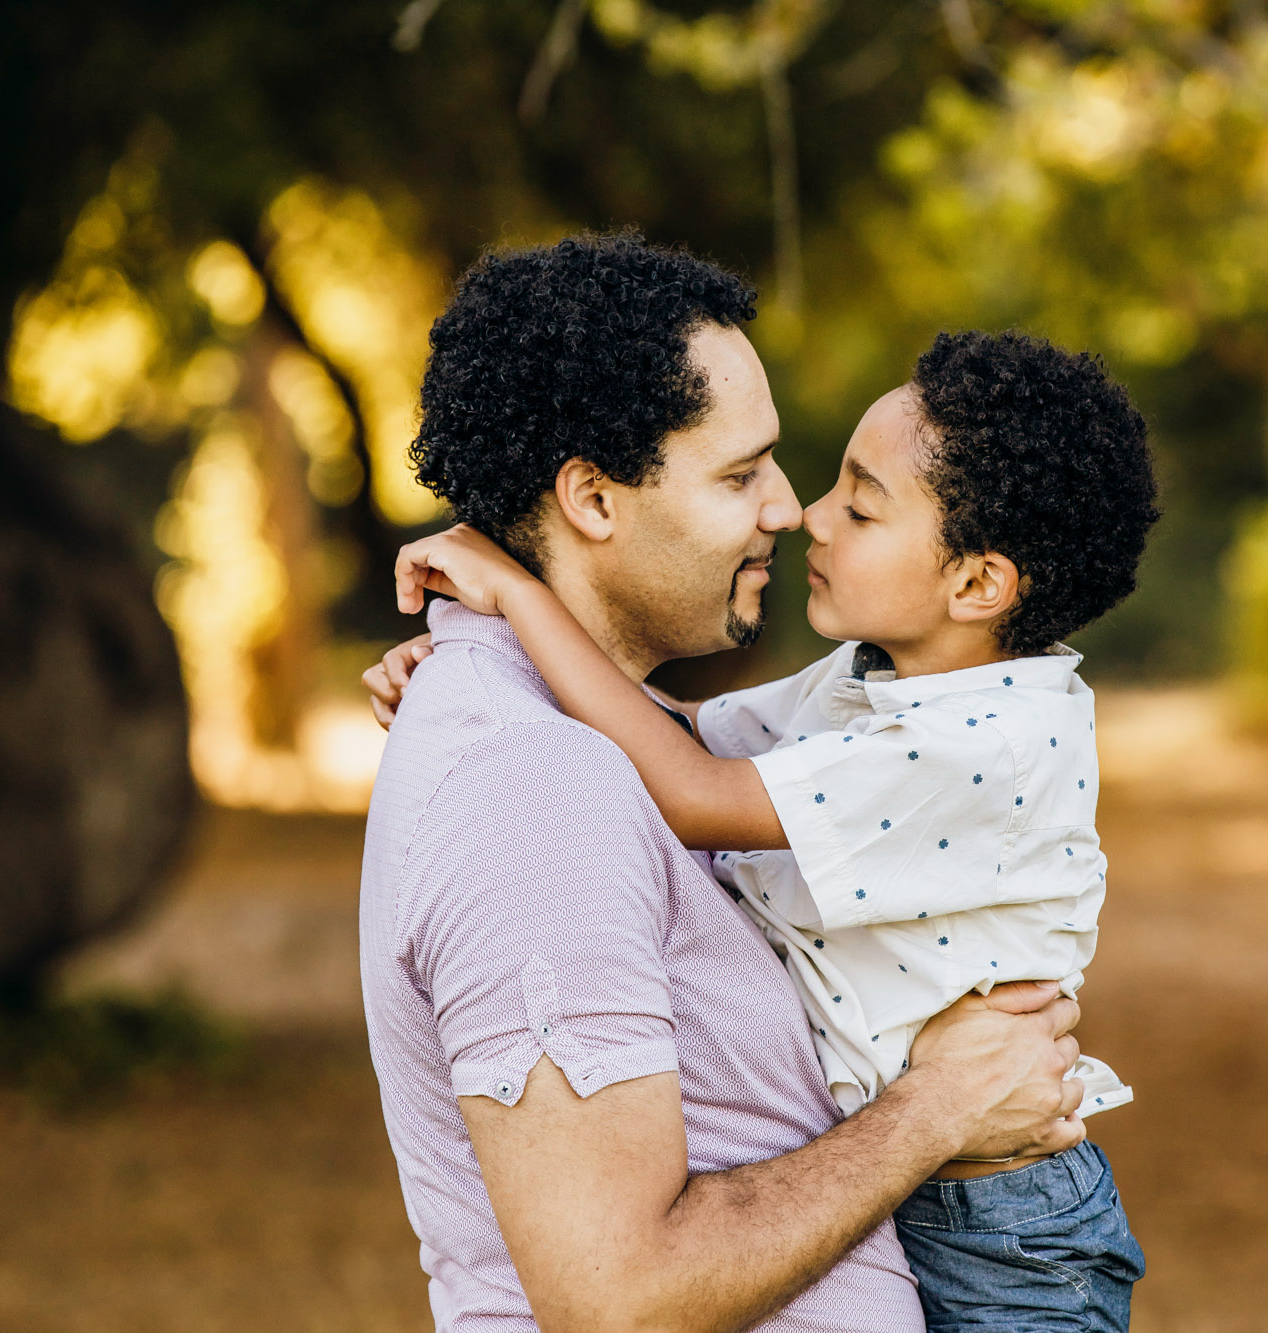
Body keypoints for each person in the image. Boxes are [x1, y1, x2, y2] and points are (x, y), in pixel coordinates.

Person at [357, 232, 1089, 1333]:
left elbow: (689, 759)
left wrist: (500, 625)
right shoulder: (530, 782)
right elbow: (616, 1298)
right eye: (739, 474)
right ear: (592, 500)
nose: (787, 510)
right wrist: (934, 1111)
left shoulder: (565, 727)